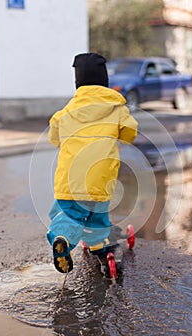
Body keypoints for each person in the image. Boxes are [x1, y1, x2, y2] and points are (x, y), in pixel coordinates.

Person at [47, 52, 138, 273]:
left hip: (69, 180)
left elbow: (54, 137)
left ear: (78, 83)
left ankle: (63, 239)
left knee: (70, 214)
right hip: (101, 179)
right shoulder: (116, 108)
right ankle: (100, 248)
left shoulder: (67, 111)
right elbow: (129, 133)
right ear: (104, 81)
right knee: (97, 217)